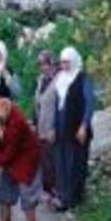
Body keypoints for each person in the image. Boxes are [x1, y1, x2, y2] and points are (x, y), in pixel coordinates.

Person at [0, 98, 42, 221]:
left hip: (27, 160)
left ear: (6, 110)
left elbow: (8, 155)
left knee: (28, 196)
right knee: (4, 194)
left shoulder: (17, 123)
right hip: (10, 159)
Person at [53, 47, 96, 211]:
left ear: (74, 61)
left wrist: (84, 125)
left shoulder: (83, 78)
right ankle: (63, 196)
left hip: (77, 128)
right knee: (62, 162)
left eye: (67, 62)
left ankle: (71, 200)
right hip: (61, 127)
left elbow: (90, 103)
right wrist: (52, 127)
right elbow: (57, 104)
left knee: (75, 163)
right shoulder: (60, 78)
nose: (64, 65)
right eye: (62, 62)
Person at [33, 50, 59, 198]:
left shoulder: (58, 81)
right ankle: (47, 190)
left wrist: (55, 127)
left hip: (52, 127)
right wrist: (34, 123)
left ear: (52, 64)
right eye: (41, 64)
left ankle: (54, 190)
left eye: (45, 64)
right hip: (41, 126)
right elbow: (36, 103)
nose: (43, 67)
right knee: (44, 159)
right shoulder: (40, 80)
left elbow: (60, 107)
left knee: (52, 159)